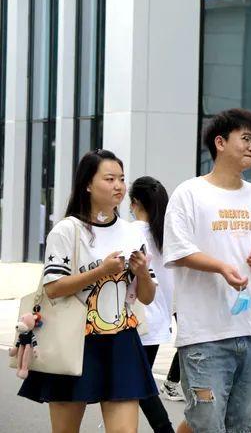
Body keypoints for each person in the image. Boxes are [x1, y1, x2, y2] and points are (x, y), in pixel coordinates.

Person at [18, 149, 159, 433]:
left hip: (122, 340)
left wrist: (143, 272)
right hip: (75, 340)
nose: (118, 185)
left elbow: (146, 297)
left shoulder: (132, 232)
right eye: (109, 179)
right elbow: (53, 288)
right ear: (87, 185)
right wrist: (101, 271)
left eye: (122, 179)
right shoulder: (67, 230)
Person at [163, 108, 251, 433]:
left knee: (248, 427)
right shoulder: (189, 193)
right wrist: (221, 267)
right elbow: (178, 250)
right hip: (205, 336)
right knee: (207, 425)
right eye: (246, 138)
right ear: (220, 142)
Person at [129, 176, 176, 433]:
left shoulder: (130, 233)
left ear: (134, 202)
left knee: (140, 386)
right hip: (158, 322)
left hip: (133, 320)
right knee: (138, 385)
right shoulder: (167, 236)